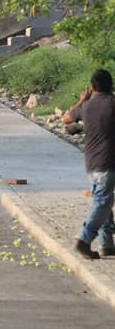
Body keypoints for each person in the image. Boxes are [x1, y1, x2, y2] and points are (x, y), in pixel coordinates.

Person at [63, 69, 115, 259]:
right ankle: (84, 240)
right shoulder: (113, 103)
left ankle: (107, 244)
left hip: (91, 162)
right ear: (111, 85)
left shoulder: (86, 106)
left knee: (103, 201)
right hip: (107, 161)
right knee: (103, 201)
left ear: (93, 87)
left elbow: (67, 118)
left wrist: (81, 100)